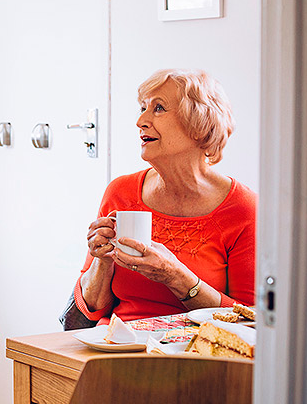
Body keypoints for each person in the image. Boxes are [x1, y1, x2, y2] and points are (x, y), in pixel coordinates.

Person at [71, 69, 256, 326]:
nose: (141, 121)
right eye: (142, 108)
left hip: (197, 353)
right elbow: (91, 308)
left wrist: (174, 275)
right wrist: (102, 260)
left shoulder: (244, 209)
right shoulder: (120, 192)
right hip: (118, 346)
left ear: (198, 123)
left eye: (158, 108)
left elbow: (249, 320)